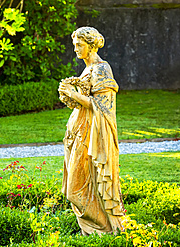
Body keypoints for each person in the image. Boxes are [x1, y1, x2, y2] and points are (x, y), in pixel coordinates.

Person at [58, 26, 124, 235]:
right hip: (77, 132)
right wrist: (69, 96)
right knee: (74, 188)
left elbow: (104, 107)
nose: (76, 49)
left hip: (90, 136)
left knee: (75, 191)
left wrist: (73, 94)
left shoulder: (102, 69)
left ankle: (104, 231)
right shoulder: (87, 69)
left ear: (91, 45)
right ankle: (93, 233)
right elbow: (87, 101)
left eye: (80, 45)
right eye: (75, 45)